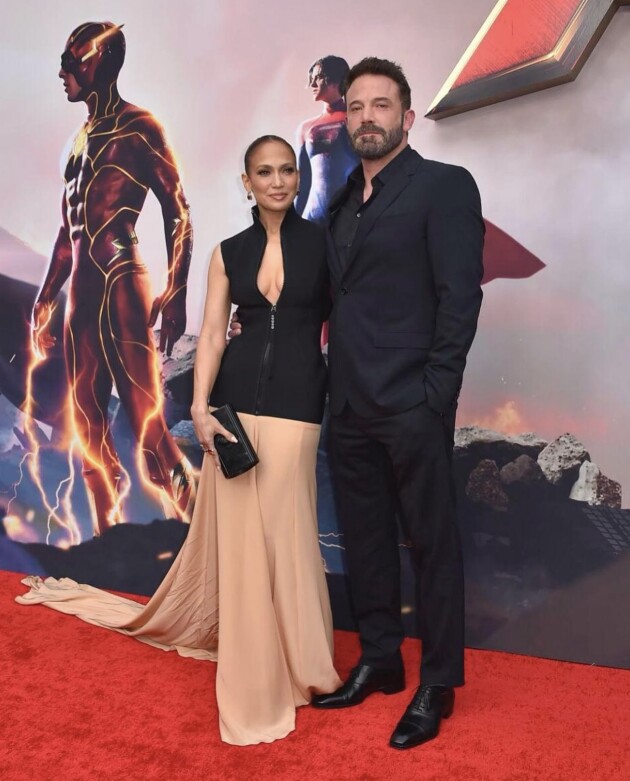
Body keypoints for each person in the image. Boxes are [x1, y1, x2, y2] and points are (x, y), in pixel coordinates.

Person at [17, 135, 341, 746]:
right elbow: (213, 335)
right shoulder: (228, 252)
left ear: (297, 179)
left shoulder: (325, 246)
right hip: (233, 407)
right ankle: (252, 667)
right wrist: (200, 408)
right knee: (242, 540)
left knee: (291, 530)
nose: (276, 181)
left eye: (285, 170)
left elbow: (345, 324)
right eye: (264, 172)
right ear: (246, 182)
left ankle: (305, 665)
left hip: (300, 403)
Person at [231, 57, 484, 749]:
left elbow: (460, 298)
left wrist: (436, 395)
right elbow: (322, 296)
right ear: (344, 118)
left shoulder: (444, 186)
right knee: (366, 539)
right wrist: (250, 318)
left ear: (407, 116)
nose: (367, 117)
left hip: (412, 403)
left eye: (382, 105)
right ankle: (380, 659)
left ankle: (438, 683)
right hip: (346, 403)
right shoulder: (342, 200)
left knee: (432, 544)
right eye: (357, 107)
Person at [30, 22, 194, 536]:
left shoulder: (139, 127)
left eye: (70, 62)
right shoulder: (75, 142)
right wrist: (45, 297)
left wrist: (176, 290)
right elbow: (68, 230)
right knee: (87, 422)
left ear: (97, 62)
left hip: (121, 277)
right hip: (81, 289)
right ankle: (107, 543)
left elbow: (178, 211)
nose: (62, 73)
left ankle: (201, 531)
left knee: (147, 424)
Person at [295, 56, 359, 223]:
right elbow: (303, 182)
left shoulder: (357, 121)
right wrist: (291, 223)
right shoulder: (305, 128)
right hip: (312, 219)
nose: (312, 84)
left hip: (350, 219)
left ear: (335, 79)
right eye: (311, 79)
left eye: (318, 78)